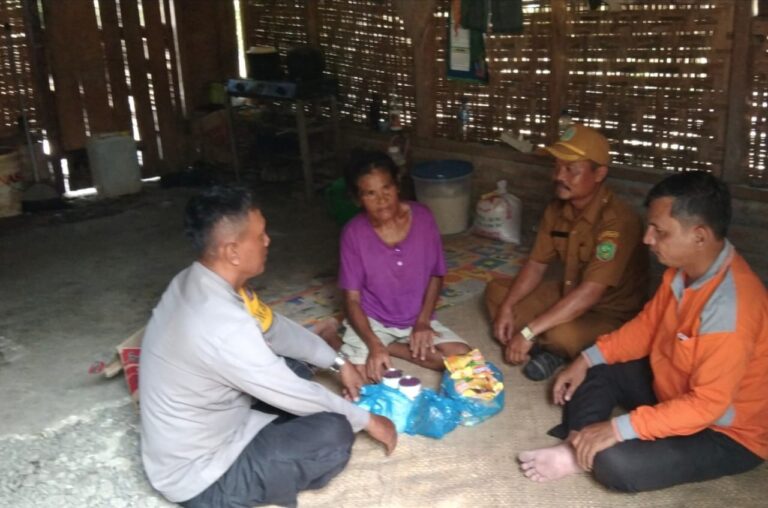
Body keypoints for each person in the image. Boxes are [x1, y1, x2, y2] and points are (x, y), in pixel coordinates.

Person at [139, 185, 397, 508]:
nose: (267, 241)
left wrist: (339, 363)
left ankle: (288, 421)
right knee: (334, 433)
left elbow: (274, 329)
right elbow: (292, 391)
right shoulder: (220, 325)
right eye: (259, 235)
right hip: (202, 475)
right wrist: (370, 421)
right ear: (232, 251)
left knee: (294, 365)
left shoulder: (197, 280)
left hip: (214, 419)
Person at [518, 171, 768, 492]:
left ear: (700, 236)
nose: (647, 238)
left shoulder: (731, 308)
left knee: (618, 464)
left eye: (659, 231)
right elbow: (646, 328)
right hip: (674, 390)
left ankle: (584, 448)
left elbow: (707, 406)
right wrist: (584, 360)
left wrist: (621, 428)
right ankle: (577, 444)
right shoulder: (680, 273)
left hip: (723, 430)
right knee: (597, 365)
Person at [485, 124, 649, 381]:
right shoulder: (557, 208)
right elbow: (537, 264)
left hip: (607, 312)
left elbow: (591, 293)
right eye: (557, 167)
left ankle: (551, 348)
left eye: (571, 169)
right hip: (567, 292)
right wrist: (507, 307)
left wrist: (528, 331)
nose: (559, 176)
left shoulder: (618, 221)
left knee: (561, 335)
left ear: (599, 174)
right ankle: (547, 348)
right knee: (497, 292)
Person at [334, 150, 471, 382]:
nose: (382, 199)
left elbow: (436, 274)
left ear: (397, 185)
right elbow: (353, 300)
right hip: (373, 320)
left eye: (386, 188)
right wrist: (374, 344)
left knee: (462, 359)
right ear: (358, 199)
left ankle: (395, 347)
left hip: (415, 317)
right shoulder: (353, 234)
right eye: (370, 193)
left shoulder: (423, 217)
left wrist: (422, 322)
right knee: (364, 378)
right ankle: (333, 335)